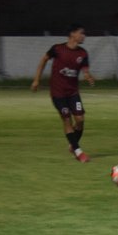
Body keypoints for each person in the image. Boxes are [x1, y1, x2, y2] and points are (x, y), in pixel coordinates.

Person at [31, 23, 95, 162]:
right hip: (58, 93)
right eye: (81, 33)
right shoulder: (57, 49)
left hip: (73, 93)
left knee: (80, 120)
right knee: (67, 119)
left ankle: (73, 144)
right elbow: (43, 60)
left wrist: (88, 76)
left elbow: (85, 70)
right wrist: (37, 79)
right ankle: (78, 152)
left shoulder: (83, 53)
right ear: (73, 34)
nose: (84, 36)